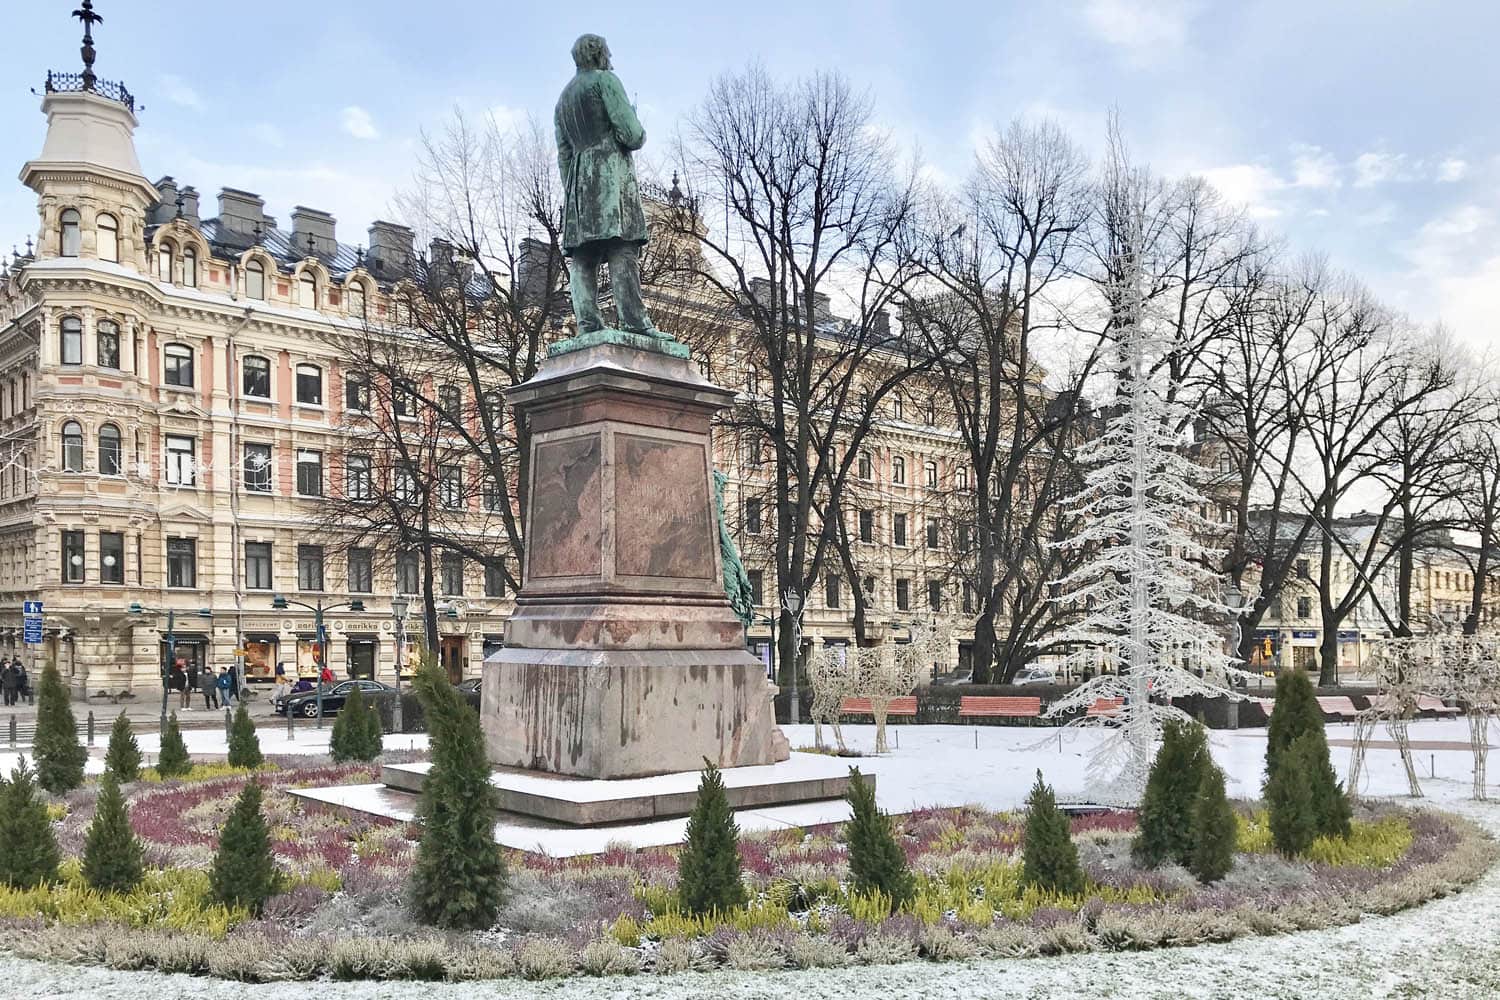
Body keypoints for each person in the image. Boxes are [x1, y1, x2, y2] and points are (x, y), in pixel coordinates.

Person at [554, 33, 659, 337]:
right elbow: (632, 135)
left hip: (578, 182)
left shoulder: (563, 100)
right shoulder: (605, 82)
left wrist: (574, 187)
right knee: (622, 248)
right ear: (599, 54)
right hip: (610, 173)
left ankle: (587, 324)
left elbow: (563, 154)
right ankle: (635, 323)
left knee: (583, 257)